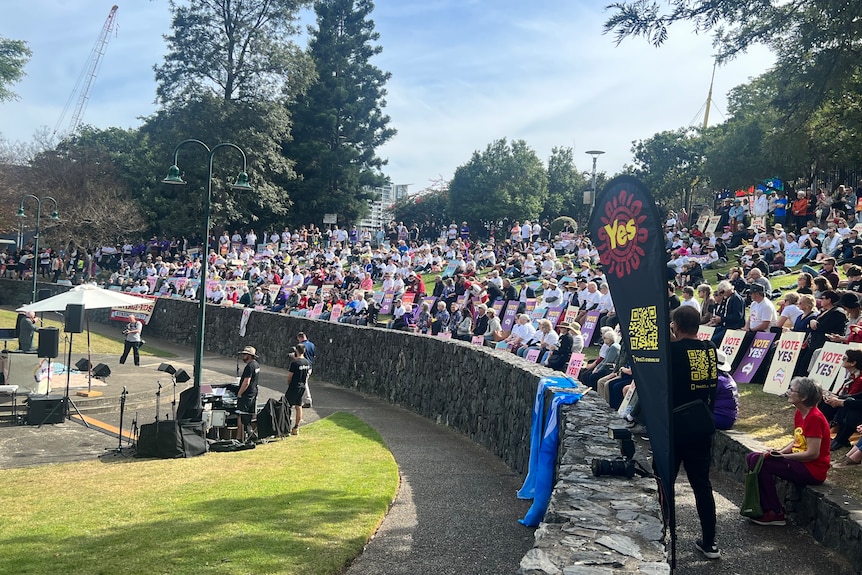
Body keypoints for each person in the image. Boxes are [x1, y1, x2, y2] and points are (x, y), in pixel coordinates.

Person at [669, 305, 720, 559]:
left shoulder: (672, 350)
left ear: (675, 326)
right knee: (702, 484)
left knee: (664, 481)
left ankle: (665, 535)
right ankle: (710, 542)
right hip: (701, 422)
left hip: (675, 424)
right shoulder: (710, 349)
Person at [744, 377, 830, 525]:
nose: (788, 392)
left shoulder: (814, 418)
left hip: (813, 469)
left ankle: (775, 512)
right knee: (753, 457)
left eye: (792, 389)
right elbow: (797, 440)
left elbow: (813, 453)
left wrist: (784, 457)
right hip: (800, 462)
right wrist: (779, 452)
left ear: (804, 397)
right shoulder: (799, 413)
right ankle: (764, 507)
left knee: (763, 463)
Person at [285, 343, 311, 435]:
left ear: (296, 350)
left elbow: (289, 377)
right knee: (298, 406)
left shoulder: (294, 364)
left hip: (294, 387)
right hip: (302, 387)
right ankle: (296, 427)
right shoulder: (307, 363)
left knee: (286, 406)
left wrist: (289, 384)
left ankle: (286, 427)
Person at [236, 346, 261, 442]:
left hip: (247, 395)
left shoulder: (250, 366)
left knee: (241, 415)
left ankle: (239, 438)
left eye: (244, 354)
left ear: (249, 356)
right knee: (252, 415)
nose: (243, 356)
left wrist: (239, 393)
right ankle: (255, 435)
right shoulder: (256, 365)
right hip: (253, 393)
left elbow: (246, 381)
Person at [297, 332, 315, 408]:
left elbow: (299, 356)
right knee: (303, 382)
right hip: (310, 366)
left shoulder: (302, 346)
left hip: (303, 365)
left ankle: (307, 400)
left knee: (303, 383)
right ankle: (302, 399)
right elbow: (314, 355)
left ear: (300, 338)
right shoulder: (312, 345)